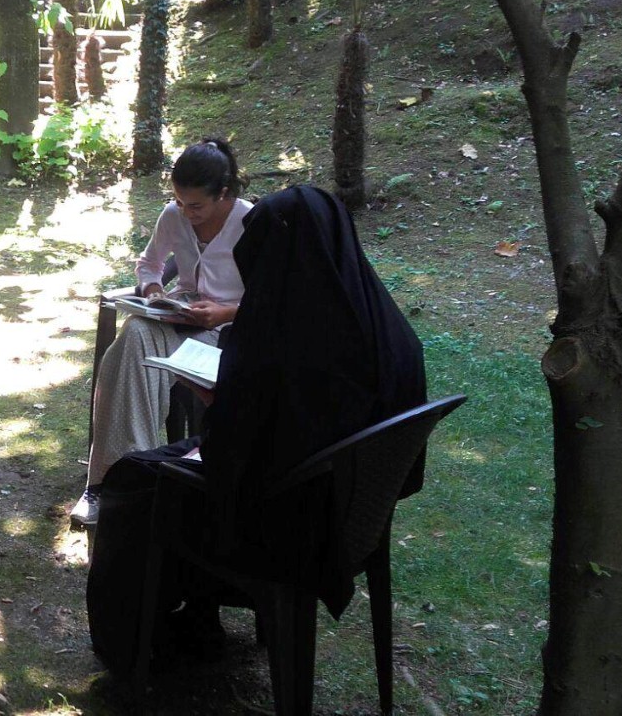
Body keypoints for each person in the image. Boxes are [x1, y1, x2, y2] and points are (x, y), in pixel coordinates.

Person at [86, 184, 427, 678]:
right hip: (350, 509)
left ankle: (133, 647)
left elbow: (230, 459)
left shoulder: (284, 350)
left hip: (288, 522)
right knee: (163, 469)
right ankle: (198, 623)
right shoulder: (387, 329)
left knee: (133, 482)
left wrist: (217, 403)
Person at [70, 137, 253, 525]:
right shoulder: (173, 215)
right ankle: (117, 480)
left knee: (128, 355)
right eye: (180, 202)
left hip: (231, 332)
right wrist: (154, 293)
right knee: (135, 333)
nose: (187, 213)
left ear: (223, 193)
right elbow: (149, 264)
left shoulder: (250, 223)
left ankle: (123, 480)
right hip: (181, 318)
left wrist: (223, 312)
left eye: (197, 206)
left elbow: (273, 297)